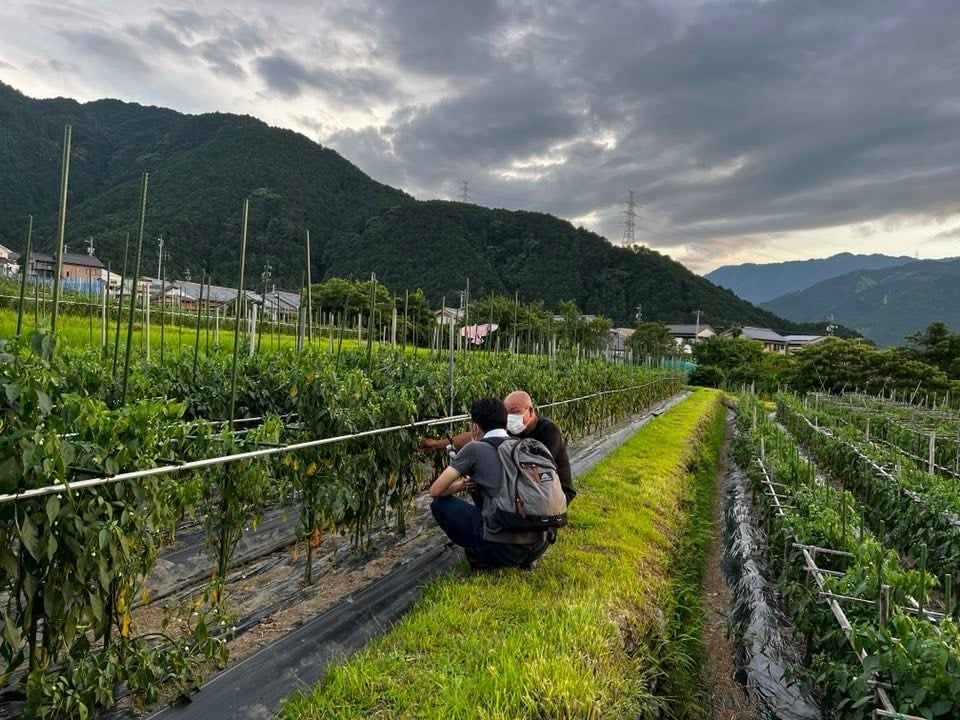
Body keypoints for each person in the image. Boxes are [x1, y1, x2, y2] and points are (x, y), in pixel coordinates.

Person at [429, 397, 549, 570]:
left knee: (440, 504)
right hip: (540, 544)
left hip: (504, 550)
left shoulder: (475, 449)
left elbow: (435, 490)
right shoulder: (523, 445)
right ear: (506, 423)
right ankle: (526, 557)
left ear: (475, 427)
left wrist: (460, 486)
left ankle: (483, 557)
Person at [420, 389, 575, 505]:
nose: (509, 418)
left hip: (554, 490)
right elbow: (474, 435)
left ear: (531, 411)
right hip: (527, 487)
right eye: (506, 413)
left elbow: (534, 472)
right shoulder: (511, 429)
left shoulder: (548, 430)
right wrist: (436, 444)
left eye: (514, 412)